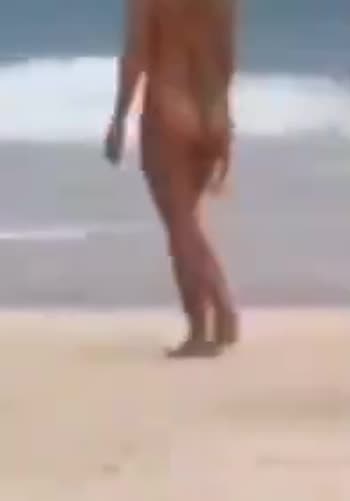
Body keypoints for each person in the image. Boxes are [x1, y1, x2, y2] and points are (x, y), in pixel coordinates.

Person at [104, 0, 240, 358]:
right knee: (188, 223)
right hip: (212, 111)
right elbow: (226, 58)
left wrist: (118, 118)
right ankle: (224, 313)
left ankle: (200, 329)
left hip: (169, 110)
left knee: (180, 226)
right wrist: (223, 125)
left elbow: (136, 54)